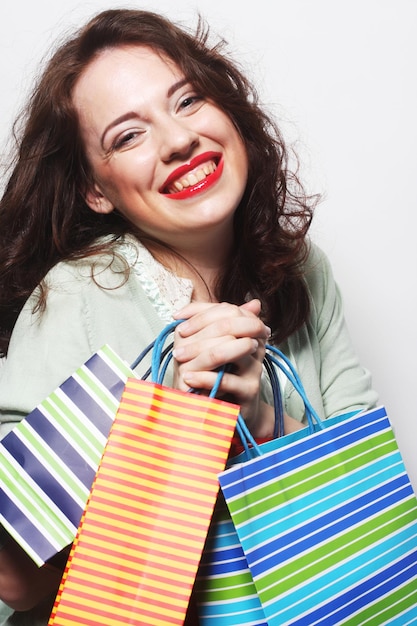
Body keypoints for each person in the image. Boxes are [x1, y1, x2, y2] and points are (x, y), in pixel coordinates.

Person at [0, 8, 378, 625]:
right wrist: (171, 419)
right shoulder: (74, 293)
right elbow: (14, 577)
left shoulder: (305, 269)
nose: (178, 141)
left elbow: (368, 501)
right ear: (97, 190)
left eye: (188, 101)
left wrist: (263, 414)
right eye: (128, 135)